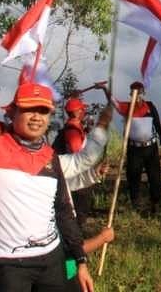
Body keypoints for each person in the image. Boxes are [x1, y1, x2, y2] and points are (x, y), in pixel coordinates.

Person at [0, 22, 93, 292]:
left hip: (53, 258)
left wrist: (80, 260)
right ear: (13, 113)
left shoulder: (50, 157)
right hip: (8, 264)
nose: (36, 117)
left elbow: (64, 211)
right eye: (29, 110)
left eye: (43, 111)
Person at [114, 81, 161, 212]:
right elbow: (114, 102)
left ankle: (156, 202)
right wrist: (104, 89)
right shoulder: (127, 107)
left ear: (143, 93)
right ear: (131, 93)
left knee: (154, 176)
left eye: (139, 92)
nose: (136, 94)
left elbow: (158, 124)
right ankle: (134, 202)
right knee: (133, 176)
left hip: (150, 147)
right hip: (134, 149)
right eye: (134, 92)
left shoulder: (149, 106)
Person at [55, 97, 91, 228]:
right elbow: (77, 153)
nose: (84, 112)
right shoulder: (72, 131)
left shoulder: (75, 127)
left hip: (75, 174)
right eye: (82, 109)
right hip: (76, 176)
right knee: (79, 209)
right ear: (76, 112)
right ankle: (77, 236)